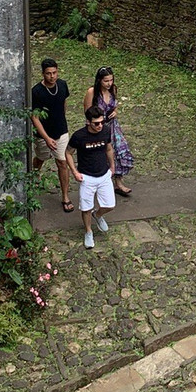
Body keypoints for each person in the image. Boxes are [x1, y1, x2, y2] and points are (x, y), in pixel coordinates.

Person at [67, 106, 116, 249]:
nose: (100, 125)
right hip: (87, 176)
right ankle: (88, 231)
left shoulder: (105, 131)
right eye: (96, 123)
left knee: (110, 205)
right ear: (88, 122)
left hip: (104, 173)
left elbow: (108, 148)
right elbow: (68, 153)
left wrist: (112, 166)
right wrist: (75, 172)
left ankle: (98, 215)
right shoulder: (79, 136)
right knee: (86, 208)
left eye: (102, 122)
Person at [83, 66, 135, 196]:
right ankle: (100, 183)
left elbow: (114, 105)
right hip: (99, 127)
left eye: (111, 80)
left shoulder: (113, 89)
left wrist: (115, 111)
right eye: (106, 81)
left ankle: (118, 182)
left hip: (112, 126)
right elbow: (87, 112)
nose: (109, 83)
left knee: (119, 150)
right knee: (101, 154)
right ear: (99, 80)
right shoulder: (92, 92)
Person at [31, 58, 73, 213]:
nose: (52, 76)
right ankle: (34, 175)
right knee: (41, 158)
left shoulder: (62, 85)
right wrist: (46, 138)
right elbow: (34, 117)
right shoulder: (36, 91)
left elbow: (63, 104)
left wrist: (62, 120)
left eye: (54, 73)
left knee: (62, 163)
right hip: (43, 135)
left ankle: (65, 196)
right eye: (48, 73)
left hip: (61, 131)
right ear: (43, 74)